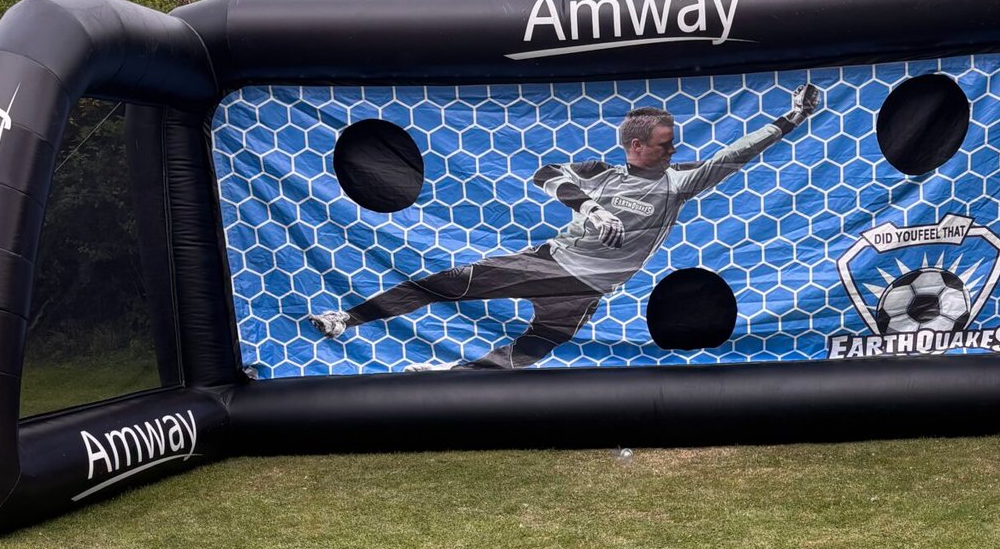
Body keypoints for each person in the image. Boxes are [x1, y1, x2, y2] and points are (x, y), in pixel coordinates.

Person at [307, 84, 822, 368]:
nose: (674, 149)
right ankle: (344, 320)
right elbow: (545, 172)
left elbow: (737, 153)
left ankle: (447, 378)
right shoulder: (604, 173)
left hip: (588, 288)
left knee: (532, 349)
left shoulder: (679, 182)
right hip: (551, 263)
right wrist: (592, 209)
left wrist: (791, 119)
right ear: (637, 147)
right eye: (666, 143)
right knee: (447, 285)